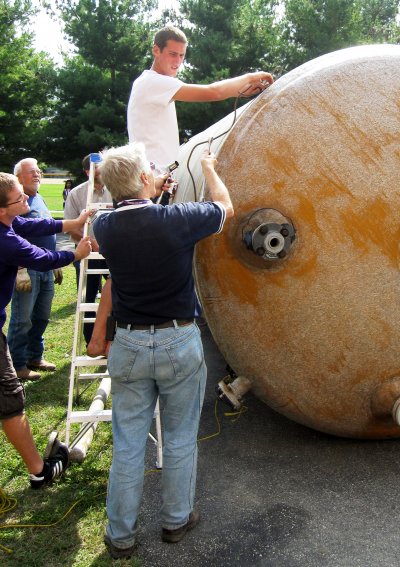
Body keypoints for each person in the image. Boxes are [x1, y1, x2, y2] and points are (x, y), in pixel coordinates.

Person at [91, 142, 234, 559]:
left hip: (130, 342)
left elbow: (137, 221)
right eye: (149, 170)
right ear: (141, 179)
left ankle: (120, 535)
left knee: (129, 443)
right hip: (178, 340)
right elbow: (225, 207)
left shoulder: (104, 225)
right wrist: (208, 169)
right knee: (179, 438)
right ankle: (175, 519)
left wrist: (154, 192)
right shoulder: (178, 220)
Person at [0, 171, 92, 488]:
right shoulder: (4, 238)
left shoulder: (8, 222)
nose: (27, 198)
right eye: (19, 198)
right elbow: (39, 257)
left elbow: (33, 224)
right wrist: (73, 255)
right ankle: (40, 472)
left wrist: (71, 222)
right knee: (10, 401)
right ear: (2, 210)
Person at [127, 25, 274, 173]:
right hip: (153, 179)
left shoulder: (150, 83)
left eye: (181, 55)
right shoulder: (153, 82)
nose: (178, 62)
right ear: (156, 50)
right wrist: (250, 77)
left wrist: (241, 90)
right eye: (172, 54)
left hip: (156, 177)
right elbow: (213, 92)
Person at [7, 158, 63, 381]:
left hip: (45, 267)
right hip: (27, 269)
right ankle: (17, 364)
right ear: (19, 177)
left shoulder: (38, 199)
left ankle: (34, 356)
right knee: (23, 319)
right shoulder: (15, 202)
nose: (38, 174)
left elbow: (48, 229)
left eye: (39, 171)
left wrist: (55, 261)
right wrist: (20, 269)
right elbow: (11, 237)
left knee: (41, 316)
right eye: (32, 172)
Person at [64, 154, 112, 345]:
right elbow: (70, 226)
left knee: (117, 296)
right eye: (99, 167)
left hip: (112, 253)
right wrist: (91, 242)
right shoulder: (77, 193)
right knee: (88, 298)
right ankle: (92, 341)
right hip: (87, 255)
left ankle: (112, 340)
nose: (103, 170)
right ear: (87, 171)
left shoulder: (117, 190)